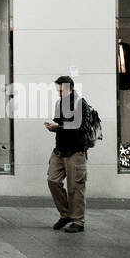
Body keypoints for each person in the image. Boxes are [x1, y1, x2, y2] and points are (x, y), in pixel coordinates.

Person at [44, 75, 87, 233]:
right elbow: (60, 125)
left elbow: (81, 128)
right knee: (52, 180)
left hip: (75, 151)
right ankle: (66, 214)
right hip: (60, 149)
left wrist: (58, 127)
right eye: (58, 90)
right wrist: (53, 126)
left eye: (61, 90)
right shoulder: (59, 103)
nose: (59, 93)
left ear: (70, 88)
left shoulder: (80, 103)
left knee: (75, 187)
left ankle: (78, 221)